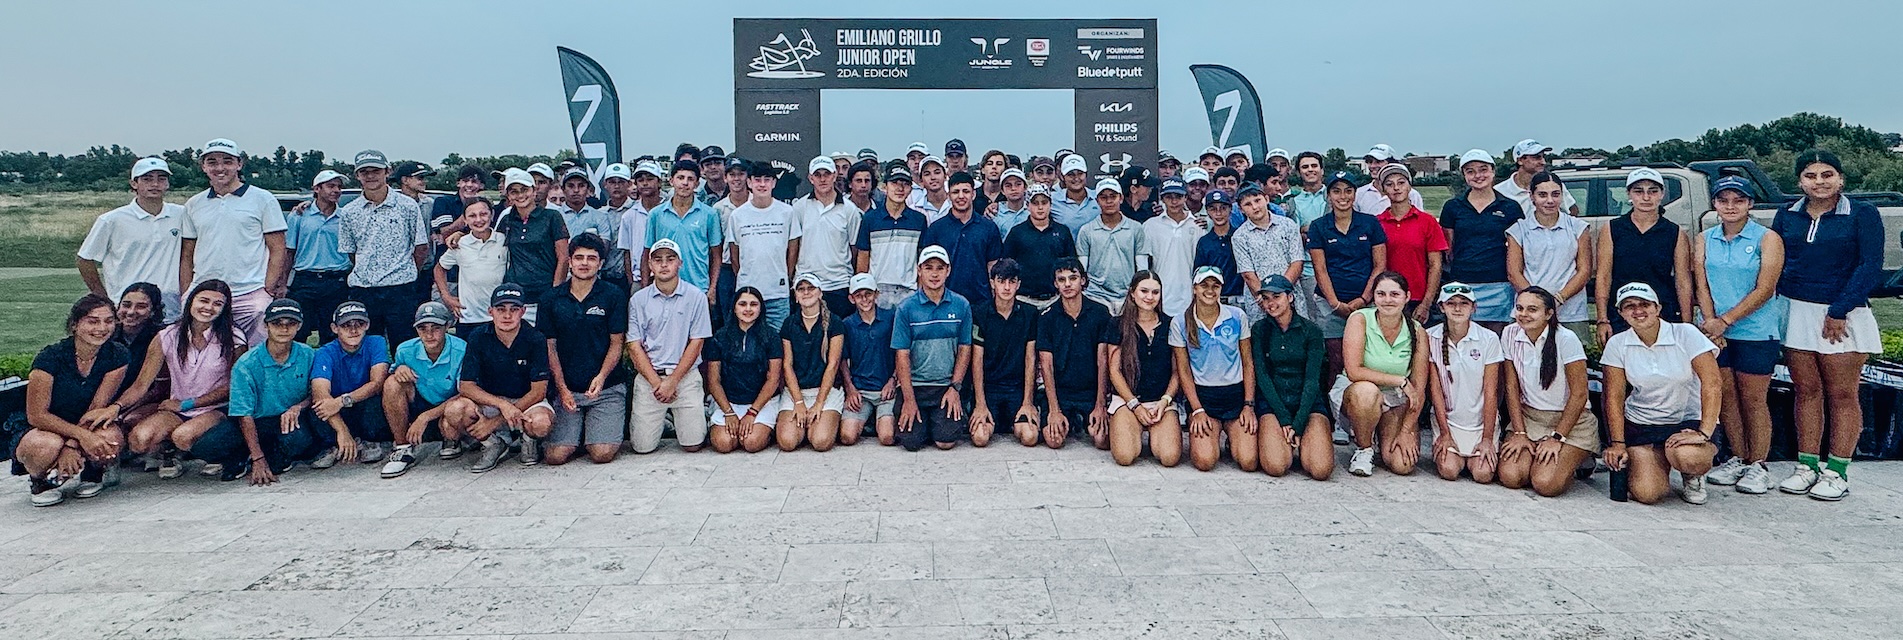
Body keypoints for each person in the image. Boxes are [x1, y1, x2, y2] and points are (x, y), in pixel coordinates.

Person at [1772, 150, 1884, 500]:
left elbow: (1870, 265)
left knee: (1842, 394)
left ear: (1840, 178)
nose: (1819, 182)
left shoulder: (1863, 214)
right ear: (1799, 181)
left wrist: (1839, 310)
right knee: (1806, 391)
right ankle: (1807, 466)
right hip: (1795, 311)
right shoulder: (1786, 214)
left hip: (1842, 314)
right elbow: (1777, 261)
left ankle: (1837, 471)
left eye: (1827, 174)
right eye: (1810, 175)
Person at [1691, 177, 1785, 494]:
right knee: (1726, 397)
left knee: (1754, 399)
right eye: (1723, 200)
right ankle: (1738, 457)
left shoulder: (1767, 238)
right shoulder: (1705, 238)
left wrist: (1726, 320)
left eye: (1738, 200)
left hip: (1755, 330)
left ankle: (1758, 463)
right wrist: (1710, 323)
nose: (1730, 206)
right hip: (1715, 331)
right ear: (1714, 204)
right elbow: (1701, 283)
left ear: (1750, 204)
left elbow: (1765, 288)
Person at [1602, 282, 1722, 505]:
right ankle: (1657, 462)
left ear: (1657, 308)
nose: (1638, 311)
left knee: (1688, 457)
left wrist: (1704, 432)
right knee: (1648, 494)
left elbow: (1712, 383)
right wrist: (1618, 442)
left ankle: (1692, 475)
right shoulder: (1617, 344)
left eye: (1644, 304)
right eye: (1629, 306)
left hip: (1687, 420)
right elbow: (1614, 397)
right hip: (1642, 423)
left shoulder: (1686, 333)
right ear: (1621, 313)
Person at [115, 279, 244, 478]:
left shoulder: (234, 338)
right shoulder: (167, 336)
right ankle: (168, 452)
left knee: (183, 437)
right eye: (203, 300)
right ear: (191, 301)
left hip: (216, 408)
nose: (208, 308)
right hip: (178, 408)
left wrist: (188, 404)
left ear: (224, 309)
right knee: (139, 440)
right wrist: (115, 408)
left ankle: (219, 453)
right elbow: (141, 385)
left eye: (217, 304)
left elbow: (234, 387)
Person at [190, 298, 327, 485]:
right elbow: (243, 414)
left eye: (291, 323)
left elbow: (316, 392)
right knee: (205, 447)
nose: (284, 329)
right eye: (276, 323)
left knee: (297, 440)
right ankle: (245, 454)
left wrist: (298, 407)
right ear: (266, 325)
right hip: (255, 419)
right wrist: (258, 458)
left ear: (300, 326)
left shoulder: (309, 354)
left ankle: (277, 454)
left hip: (289, 418)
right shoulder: (246, 364)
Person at [14, 295, 130, 505]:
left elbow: (97, 407)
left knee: (110, 436)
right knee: (45, 445)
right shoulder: (50, 358)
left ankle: (94, 472)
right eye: (93, 321)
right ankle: (41, 480)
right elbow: (37, 415)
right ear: (75, 325)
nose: (101, 328)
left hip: (87, 421)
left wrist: (72, 446)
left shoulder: (117, 354)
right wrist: (79, 437)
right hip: (47, 425)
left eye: (108, 321)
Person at [179, 139, 287, 344]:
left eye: (227, 161)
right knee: (202, 351)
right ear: (203, 166)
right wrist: (186, 293)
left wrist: (267, 288)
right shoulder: (194, 204)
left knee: (253, 352)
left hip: (250, 293)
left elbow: (278, 248)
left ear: (239, 164)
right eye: (212, 162)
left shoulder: (263, 199)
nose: (220, 168)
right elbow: (187, 254)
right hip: (205, 291)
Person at [442, 283, 555, 473]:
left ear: (523, 312)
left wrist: (494, 422)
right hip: (491, 401)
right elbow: (466, 386)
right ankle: (493, 444)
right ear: (490, 311)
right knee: (454, 411)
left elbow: (538, 391)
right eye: (500, 309)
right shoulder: (478, 336)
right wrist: (502, 406)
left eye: (514, 309)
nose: (507, 315)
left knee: (541, 423)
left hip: (527, 400)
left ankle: (528, 439)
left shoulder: (535, 338)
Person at [1497, 287, 1599, 497]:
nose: (1524, 314)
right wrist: (1519, 433)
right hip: (1530, 417)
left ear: (1549, 313)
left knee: (1545, 484)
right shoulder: (1509, 333)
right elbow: (1511, 387)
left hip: (1571, 423)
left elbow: (1580, 394)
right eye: (1519, 308)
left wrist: (1557, 438)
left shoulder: (1566, 339)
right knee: (1511, 476)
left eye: (1532, 309)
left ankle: (1579, 459)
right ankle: (1539, 457)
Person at [539, 234, 629, 465]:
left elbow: (617, 343)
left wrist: (601, 377)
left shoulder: (614, 295)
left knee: (601, 453)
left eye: (591, 258)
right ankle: (577, 434)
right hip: (567, 390)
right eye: (579, 257)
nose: (584, 263)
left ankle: (593, 432)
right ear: (569, 261)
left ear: (601, 263)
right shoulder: (551, 299)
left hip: (606, 388)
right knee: (555, 456)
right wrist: (562, 389)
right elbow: (550, 347)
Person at [1334, 272, 1428, 477]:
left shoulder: (1418, 331)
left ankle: (1381, 435)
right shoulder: (1360, 318)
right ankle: (1364, 448)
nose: (1387, 300)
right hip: (1359, 394)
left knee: (1403, 464)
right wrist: (1400, 380)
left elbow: (1419, 389)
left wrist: (1406, 430)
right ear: (1374, 297)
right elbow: (1354, 371)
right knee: (1367, 391)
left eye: (1395, 294)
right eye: (1381, 294)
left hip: (1396, 399)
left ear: (1407, 296)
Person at [626, 240, 715, 453]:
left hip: (685, 377)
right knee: (642, 448)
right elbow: (634, 346)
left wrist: (672, 381)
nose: (664, 265)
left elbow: (697, 342)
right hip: (650, 379)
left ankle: (691, 416)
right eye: (658, 260)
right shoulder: (638, 300)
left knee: (693, 445)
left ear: (680, 263)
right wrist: (658, 384)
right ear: (650, 264)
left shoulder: (696, 297)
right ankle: (664, 419)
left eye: (670, 259)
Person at [337, 150, 429, 348]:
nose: (370, 176)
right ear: (357, 175)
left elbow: (421, 247)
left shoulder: (407, 206)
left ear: (387, 171)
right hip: (364, 289)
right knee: (366, 347)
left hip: (401, 289)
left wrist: (406, 271)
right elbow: (351, 252)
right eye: (365, 172)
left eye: (376, 171)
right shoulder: (349, 212)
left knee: (404, 347)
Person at [78, 156, 183, 324]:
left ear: (167, 184)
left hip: (172, 307)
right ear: (134, 184)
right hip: (128, 308)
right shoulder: (112, 220)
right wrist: (103, 298)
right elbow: (85, 259)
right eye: (147, 179)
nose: (155, 184)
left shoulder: (181, 214)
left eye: (161, 179)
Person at [1172, 267, 1258, 472]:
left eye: (1215, 286)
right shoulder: (1180, 322)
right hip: (1204, 398)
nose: (1210, 290)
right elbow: (1184, 371)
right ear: (1194, 288)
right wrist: (1197, 409)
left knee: (1248, 461)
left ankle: (1231, 439)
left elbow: (1247, 363)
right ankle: (1212, 434)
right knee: (1205, 461)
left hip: (1235, 396)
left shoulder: (1237, 316)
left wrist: (1248, 405)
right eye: (1204, 285)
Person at [1308, 172, 1389, 386]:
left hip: (1367, 303)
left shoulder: (1370, 223)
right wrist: (1335, 304)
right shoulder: (1318, 226)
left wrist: (1363, 299)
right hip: (1330, 304)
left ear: (1355, 194)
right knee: (1336, 361)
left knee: (1368, 359)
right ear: (1328, 196)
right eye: (1336, 191)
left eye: (1348, 191)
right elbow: (1320, 269)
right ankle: (1336, 406)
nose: (1342, 196)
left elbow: (1379, 265)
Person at [891, 246, 974, 451]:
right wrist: (909, 399)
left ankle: (935, 423)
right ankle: (927, 424)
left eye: (940, 268)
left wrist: (955, 388)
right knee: (911, 443)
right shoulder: (906, 308)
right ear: (919, 270)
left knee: (945, 442)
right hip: (915, 386)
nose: (934, 274)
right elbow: (902, 356)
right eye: (928, 268)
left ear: (948, 270)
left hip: (945, 386)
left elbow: (965, 348)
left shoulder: (961, 305)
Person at [1251, 274, 1333, 479]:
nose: (1271, 303)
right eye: (1266, 298)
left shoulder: (1311, 331)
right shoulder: (1260, 330)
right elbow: (1262, 376)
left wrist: (1298, 423)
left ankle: (1306, 440)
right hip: (1274, 403)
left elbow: (1312, 380)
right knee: (1276, 466)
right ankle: (1283, 440)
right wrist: (1284, 419)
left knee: (1320, 470)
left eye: (1276, 296)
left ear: (1290, 297)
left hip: (1307, 403)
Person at [1595, 168, 1691, 342]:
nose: (1646, 197)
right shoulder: (1612, 229)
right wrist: (1602, 319)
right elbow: (1603, 276)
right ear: (1629, 194)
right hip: (1622, 313)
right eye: (1639, 191)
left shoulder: (1675, 232)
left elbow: (1683, 281)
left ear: (1662, 194)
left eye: (1653, 191)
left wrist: (1687, 325)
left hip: (1662, 313)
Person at [461, 168, 567, 325]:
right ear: (508, 196)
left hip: (545, 294)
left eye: (524, 189)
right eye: (514, 191)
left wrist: (555, 291)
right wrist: (459, 235)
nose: (520, 195)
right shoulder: (507, 219)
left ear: (533, 190)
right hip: (515, 297)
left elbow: (563, 257)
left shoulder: (552, 217)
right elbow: (489, 238)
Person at [1425, 283, 1504, 484]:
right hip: (1449, 421)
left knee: (1483, 474)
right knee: (1449, 470)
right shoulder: (1430, 337)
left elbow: (1491, 392)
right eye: (1451, 303)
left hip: (1480, 422)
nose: (1458, 308)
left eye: (1464, 303)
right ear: (1441, 307)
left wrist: (1487, 439)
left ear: (1474, 307)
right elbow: (1435, 390)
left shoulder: (1489, 338)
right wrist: (1445, 434)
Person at [1506, 171, 1594, 347]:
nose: (1550, 200)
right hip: (1529, 313)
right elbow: (1514, 273)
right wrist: (1537, 303)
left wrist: (1558, 298)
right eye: (1542, 195)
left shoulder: (1578, 227)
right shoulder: (1518, 230)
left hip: (1571, 313)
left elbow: (1584, 270)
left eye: (1555, 194)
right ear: (1531, 196)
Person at [379, 301, 466, 478]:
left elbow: (465, 391)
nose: (429, 334)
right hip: (419, 399)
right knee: (392, 383)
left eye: (436, 328)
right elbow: (395, 374)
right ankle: (402, 447)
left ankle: (452, 439)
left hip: (448, 405)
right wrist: (399, 369)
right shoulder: (405, 350)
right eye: (422, 328)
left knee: (454, 419)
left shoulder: (461, 349)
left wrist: (425, 417)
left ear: (447, 326)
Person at [1440, 150, 1524, 330]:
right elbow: (1449, 250)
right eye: (1470, 171)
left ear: (1493, 171)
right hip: (1462, 283)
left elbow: (1517, 249)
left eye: (1483, 169)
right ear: (1464, 175)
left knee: (1497, 337)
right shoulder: (1452, 207)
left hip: (1499, 285)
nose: (1478, 175)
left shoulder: (1510, 207)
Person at [1037, 258, 1113, 449]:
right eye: (1061, 279)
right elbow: (1046, 365)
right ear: (1055, 284)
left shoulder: (1100, 313)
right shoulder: (1047, 317)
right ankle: (1069, 420)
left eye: (1073, 278)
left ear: (1083, 280)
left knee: (1102, 440)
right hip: (1061, 392)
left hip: (1091, 392)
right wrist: (1054, 410)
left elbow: (1103, 361)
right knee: (1054, 440)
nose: (1067, 284)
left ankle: (1080, 421)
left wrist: (1100, 405)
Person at [1107, 272, 1182, 466]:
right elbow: (1114, 371)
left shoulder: (1170, 324)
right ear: (1132, 293)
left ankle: (1157, 433)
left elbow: (1178, 372)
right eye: (1144, 291)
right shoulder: (1118, 324)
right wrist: (1135, 405)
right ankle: (1125, 428)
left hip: (1161, 401)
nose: (1150, 297)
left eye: (1155, 292)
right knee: (1125, 456)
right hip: (1128, 400)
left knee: (1169, 458)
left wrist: (1165, 401)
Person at [309, 300, 391, 465]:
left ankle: (370, 440)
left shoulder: (376, 342)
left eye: (359, 324)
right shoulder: (325, 352)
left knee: (376, 398)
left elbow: (377, 383)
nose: (353, 330)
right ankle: (335, 443)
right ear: (335, 328)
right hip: (338, 412)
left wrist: (342, 401)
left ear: (367, 325)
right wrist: (343, 431)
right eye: (346, 325)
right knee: (318, 406)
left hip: (359, 404)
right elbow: (320, 392)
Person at [970, 259, 1041, 448]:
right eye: (1001, 281)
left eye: (1012, 281)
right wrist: (980, 403)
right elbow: (977, 360)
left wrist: (1028, 401)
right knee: (980, 438)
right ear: (992, 283)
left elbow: (1030, 359)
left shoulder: (1030, 314)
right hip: (989, 388)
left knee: (1030, 437)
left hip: (1017, 389)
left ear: (1018, 284)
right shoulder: (979, 313)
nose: (1007, 287)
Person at [706, 287, 781, 454]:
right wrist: (728, 412)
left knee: (751, 443)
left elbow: (773, 379)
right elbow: (714, 380)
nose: (748, 309)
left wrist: (752, 413)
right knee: (723, 444)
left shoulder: (771, 336)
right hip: (729, 402)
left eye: (753, 304)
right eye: (742, 304)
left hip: (761, 403)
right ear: (734, 307)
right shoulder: (720, 337)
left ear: (761, 308)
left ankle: (766, 431)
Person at [778, 274, 848, 450]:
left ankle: (817, 425)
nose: (806, 292)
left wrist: (818, 404)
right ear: (795, 295)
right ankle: (804, 427)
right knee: (787, 442)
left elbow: (833, 365)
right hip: (797, 391)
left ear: (820, 293)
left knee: (820, 441)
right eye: (801, 289)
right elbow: (787, 365)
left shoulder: (835, 322)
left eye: (811, 288)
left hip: (826, 390)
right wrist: (799, 402)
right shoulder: (789, 323)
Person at [283, 170, 352, 343]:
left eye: (339, 187)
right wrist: (283, 283)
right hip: (305, 280)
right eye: (331, 186)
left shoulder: (345, 217)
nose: (336, 190)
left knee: (332, 334)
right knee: (299, 332)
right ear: (317, 189)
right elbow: (289, 251)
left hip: (336, 281)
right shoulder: (299, 215)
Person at [1372, 165, 1446, 324]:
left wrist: (1426, 304)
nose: (1396, 188)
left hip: (1418, 298)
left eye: (1401, 182)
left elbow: (1435, 265)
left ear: (1409, 186)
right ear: (1383, 190)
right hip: (1387, 298)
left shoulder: (1427, 222)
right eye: (1389, 184)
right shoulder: (1376, 223)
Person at [790, 155, 861, 319]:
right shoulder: (799, 208)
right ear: (810, 178)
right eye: (818, 175)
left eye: (827, 174)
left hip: (839, 285)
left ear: (835, 176)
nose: (822, 179)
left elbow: (854, 248)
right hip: (807, 284)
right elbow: (794, 246)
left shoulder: (850, 210)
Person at [728, 161, 797, 330]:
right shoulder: (737, 215)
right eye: (757, 180)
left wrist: (784, 276)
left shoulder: (787, 212)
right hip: (748, 295)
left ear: (774, 183)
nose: (762, 184)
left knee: (779, 341)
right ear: (749, 182)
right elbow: (734, 255)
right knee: (748, 340)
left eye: (767, 180)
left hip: (778, 295)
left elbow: (793, 250)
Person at [644, 161, 722, 306]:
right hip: (664, 288)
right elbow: (647, 252)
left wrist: (712, 289)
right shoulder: (656, 214)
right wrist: (645, 288)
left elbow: (716, 256)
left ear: (697, 184)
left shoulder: (709, 214)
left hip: (699, 288)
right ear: (671, 181)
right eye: (680, 178)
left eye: (690, 179)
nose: (685, 183)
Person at [922, 171, 1004, 306]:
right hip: (944, 303)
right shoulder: (936, 229)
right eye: (955, 192)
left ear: (973, 194)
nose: (961, 196)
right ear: (948, 196)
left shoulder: (988, 228)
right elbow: (927, 269)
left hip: (982, 303)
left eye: (966, 191)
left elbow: (993, 268)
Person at [855, 166, 930, 310]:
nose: (900, 188)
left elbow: (922, 260)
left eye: (905, 184)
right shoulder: (870, 219)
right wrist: (864, 289)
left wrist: (920, 293)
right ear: (885, 186)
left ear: (910, 189)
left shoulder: (918, 220)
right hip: (877, 292)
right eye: (894, 183)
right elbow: (863, 258)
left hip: (909, 291)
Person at [1231, 184, 1305, 323]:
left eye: (1257, 200)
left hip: (1290, 297)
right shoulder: (1239, 236)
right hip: (1260, 302)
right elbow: (1247, 273)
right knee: (1264, 334)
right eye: (1248, 204)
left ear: (1266, 199)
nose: (1255, 207)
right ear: (1241, 209)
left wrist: (1282, 294)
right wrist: (1267, 299)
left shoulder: (1288, 225)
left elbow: (1297, 262)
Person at [840, 274, 899, 446]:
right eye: (858, 295)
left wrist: (893, 380)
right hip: (860, 390)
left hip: (886, 390)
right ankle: (869, 419)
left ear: (876, 294)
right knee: (847, 436)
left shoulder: (891, 318)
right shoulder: (847, 324)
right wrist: (850, 389)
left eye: (868, 294)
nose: (864, 299)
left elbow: (901, 353)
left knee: (887, 437)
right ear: (851, 299)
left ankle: (878, 420)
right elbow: (843, 360)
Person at [435, 198, 507, 335]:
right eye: (472, 216)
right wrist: (446, 296)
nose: (479, 220)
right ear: (465, 220)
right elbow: (439, 268)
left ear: (492, 215)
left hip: (499, 317)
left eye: (483, 214)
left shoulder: (504, 241)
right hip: (469, 317)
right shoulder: (459, 244)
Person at [1075, 178, 1147, 313]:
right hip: (1095, 296)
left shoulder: (1136, 228)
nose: (1109, 201)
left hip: (1128, 296)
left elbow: (1142, 267)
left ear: (1121, 198)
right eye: (1103, 197)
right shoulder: (1086, 231)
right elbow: (1082, 268)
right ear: (1097, 201)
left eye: (1113, 196)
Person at [1001, 183, 1076, 310]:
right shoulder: (1017, 233)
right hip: (1024, 299)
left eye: (1044, 202)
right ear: (1027, 205)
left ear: (1050, 204)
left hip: (1056, 298)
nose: (1040, 207)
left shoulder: (1062, 231)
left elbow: (1071, 264)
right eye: (1035, 203)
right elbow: (1007, 266)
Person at [108, 283, 169, 429]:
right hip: (110, 397)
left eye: (141, 306)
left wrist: (121, 410)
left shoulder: (162, 338)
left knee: (129, 421)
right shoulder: (107, 334)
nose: (131, 312)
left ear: (153, 311)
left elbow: (159, 390)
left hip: (148, 399)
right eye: (126, 305)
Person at [1143, 178, 1202, 316]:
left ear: (1185, 197)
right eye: (1169, 197)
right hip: (1159, 297)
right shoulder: (1150, 226)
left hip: (1189, 297)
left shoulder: (1198, 225)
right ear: (1162, 199)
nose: (1174, 201)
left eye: (1178, 197)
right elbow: (1144, 263)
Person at [1495, 139, 1579, 215]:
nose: (1543, 162)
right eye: (1537, 157)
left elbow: (1572, 210)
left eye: (1543, 157)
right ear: (1520, 160)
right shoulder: (1499, 191)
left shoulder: (1554, 185)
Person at [1051, 155, 1100, 233]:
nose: (1076, 178)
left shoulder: (1099, 197)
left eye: (1080, 173)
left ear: (1086, 175)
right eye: (1071, 174)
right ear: (1063, 177)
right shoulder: (1052, 200)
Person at [991, 168, 1031, 235]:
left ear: (1025, 187)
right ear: (1002, 190)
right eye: (1008, 185)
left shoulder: (1032, 210)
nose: (1013, 188)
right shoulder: (994, 213)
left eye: (1018, 184)